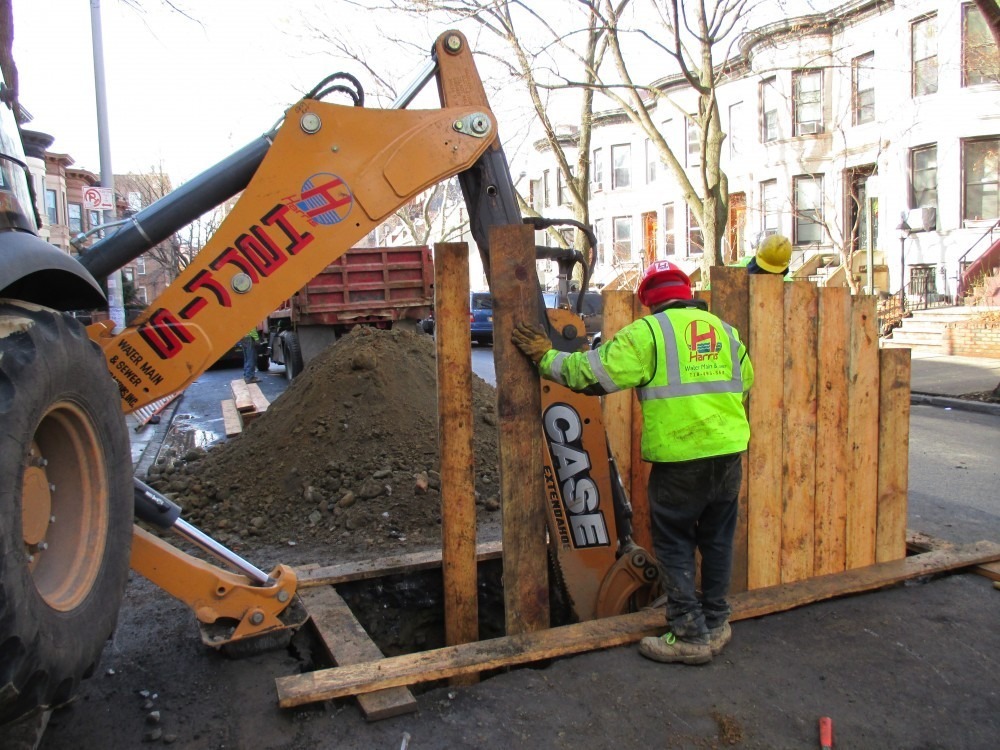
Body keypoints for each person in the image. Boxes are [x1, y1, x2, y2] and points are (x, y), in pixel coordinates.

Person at [512, 260, 753, 665]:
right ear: (687, 293)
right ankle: (715, 623)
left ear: (648, 300)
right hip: (728, 455)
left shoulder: (650, 333)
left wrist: (545, 357)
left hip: (680, 460)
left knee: (675, 543)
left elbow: (589, 375)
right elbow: (744, 382)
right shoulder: (725, 332)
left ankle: (690, 635)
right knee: (717, 540)